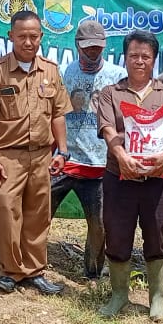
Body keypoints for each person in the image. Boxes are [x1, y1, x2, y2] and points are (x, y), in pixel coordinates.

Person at [0, 10, 72, 295]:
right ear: (11, 37)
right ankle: (10, 270)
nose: (28, 42)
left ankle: (34, 271)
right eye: (22, 36)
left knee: (38, 213)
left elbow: (58, 114)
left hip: (43, 155)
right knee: (6, 210)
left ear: (41, 37)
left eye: (34, 36)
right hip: (8, 155)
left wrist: (63, 151)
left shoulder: (51, 71)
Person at [94, 31, 163, 321]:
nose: (139, 61)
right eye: (134, 55)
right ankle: (119, 294)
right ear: (125, 58)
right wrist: (122, 158)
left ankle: (157, 296)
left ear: (154, 59)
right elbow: (108, 130)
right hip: (120, 177)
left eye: (145, 56)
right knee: (117, 234)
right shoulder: (111, 93)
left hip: (158, 178)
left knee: (159, 231)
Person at [51, 19, 126, 280]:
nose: (93, 52)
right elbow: (52, 115)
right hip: (64, 160)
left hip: (99, 164)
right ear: (77, 45)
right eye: (88, 47)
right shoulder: (62, 73)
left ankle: (92, 274)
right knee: (39, 215)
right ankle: (32, 267)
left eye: (98, 47)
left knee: (100, 225)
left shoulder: (117, 76)